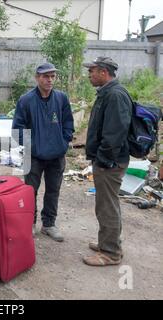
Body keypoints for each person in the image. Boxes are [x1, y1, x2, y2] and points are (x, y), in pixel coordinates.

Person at [12, 63, 74, 242]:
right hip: (34, 156)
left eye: (52, 76)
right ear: (37, 77)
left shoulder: (61, 98)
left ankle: (48, 224)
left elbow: (68, 123)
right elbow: (18, 128)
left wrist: (63, 141)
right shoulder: (26, 100)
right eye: (46, 76)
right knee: (30, 191)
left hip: (57, 155)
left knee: (53, 190)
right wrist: (32, 148)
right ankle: (30, 223)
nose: (49, 80)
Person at [83, 57, 132, 267]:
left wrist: (103, 160)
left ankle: (110, 252)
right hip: (108, 161)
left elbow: (114, 134)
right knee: (108, 205)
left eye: (92, 71)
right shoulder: (108, 93)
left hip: (110, 163)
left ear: (104, 72)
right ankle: (109, 242)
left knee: (107, 207)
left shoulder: (115, 95)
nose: (89, 75)